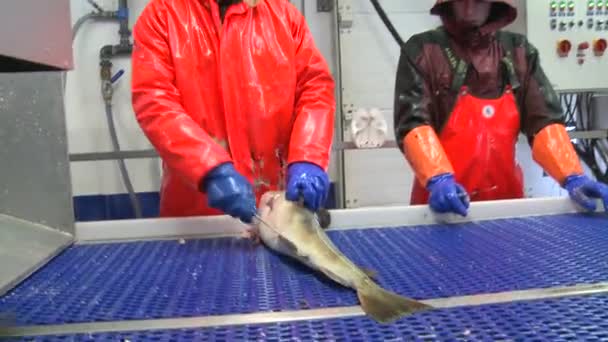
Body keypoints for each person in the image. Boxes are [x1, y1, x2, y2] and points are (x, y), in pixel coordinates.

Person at [394, 0, 608, 216]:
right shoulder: (423, 50)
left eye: (478, 1)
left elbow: (544, 122)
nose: (469, 10)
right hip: (440, 207)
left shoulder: (519, 53)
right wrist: (438, 177)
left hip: (506, 209)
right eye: (461, 1)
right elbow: (413, 121)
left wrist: (572, 175)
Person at [131, 0, 335, 224]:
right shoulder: (162, 16)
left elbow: (315, 90)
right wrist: (209, 168)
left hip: (277, 212)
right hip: (196, 218)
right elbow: (154, 101)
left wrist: (308, 158)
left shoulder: (285, 17)